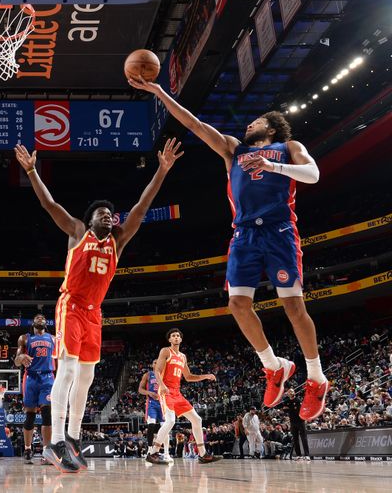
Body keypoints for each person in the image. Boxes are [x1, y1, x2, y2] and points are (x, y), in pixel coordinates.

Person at [130, 77, 328, 420]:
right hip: (244, 235)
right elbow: (194, 123)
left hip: (280, 232)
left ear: (272, 128)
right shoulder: (234, 149)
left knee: (294, 307)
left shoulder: (288, 148)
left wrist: (271, 166)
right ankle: (273, 367)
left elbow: (313, 175)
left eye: (257, 121)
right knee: (237, 305)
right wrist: (158, 92)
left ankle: (316, 378)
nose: (249, 124)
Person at [14, 139, 184, 473]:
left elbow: (142, 206)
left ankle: (74, 439)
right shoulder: (78, 231)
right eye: (102, 214)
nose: (109, 217)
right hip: (71, 305)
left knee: (87, 376)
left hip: (94, 312)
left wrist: (162, 171)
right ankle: (56, 442)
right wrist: (32, 171)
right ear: (91, 219)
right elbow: (49, 205)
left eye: (111, 214)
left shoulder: (118, 240)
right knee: (66, 371)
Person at [145, 328, 221, 465]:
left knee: (197, 420)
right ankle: (153, 452)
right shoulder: (165, 351)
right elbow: (157, 370)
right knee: (170, 421)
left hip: (177, 393)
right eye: (173, 336)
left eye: (177, 336)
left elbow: (188, 376)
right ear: (169, 339)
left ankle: (203, 454)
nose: (175, 337)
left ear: (180, 339)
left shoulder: (183, 357)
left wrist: (206, 376)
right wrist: (161, 385)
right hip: (166, 392)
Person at [14, 313, 54, 465]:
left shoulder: (53, 338)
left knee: (47, 414)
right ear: (33, 323)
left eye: (43, 318)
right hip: (30, 378)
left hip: (47, 378)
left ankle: (47, 452)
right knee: (30, 416)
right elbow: (17, 362)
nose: (40, 318)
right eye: (37, 317)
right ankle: (27, 448)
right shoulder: (24, 338)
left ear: (46, 323)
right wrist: (21, 357)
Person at [138, 360, 165, 457]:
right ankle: (149, 449)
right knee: (151, 425)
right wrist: (149, 393)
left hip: (162, 403)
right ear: (152, 365)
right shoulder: (148, 375)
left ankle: (163, 450)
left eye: (159, 362)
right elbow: (140, 389)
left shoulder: (164, 374)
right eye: (155, 362)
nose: (157, 363)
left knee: (164, 427)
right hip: (151, 403)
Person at [283, 389, 310, 460]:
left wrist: (289, 408)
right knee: (295, 439)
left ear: (294, 392)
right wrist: (291, 409)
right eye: (289, 392)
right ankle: (299, 455)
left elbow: (298, 410)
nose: (291, 393)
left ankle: (307, 455)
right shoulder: (286, 401)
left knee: (303, 438)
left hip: (300, 421)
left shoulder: (298, 400)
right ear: (287, 394)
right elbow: (285, 410)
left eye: (292, 391)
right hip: (292, 422)